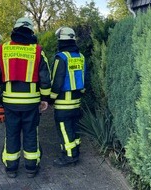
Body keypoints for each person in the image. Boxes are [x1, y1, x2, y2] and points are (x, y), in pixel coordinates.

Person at [0, 17, 51, 178]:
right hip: (31, 102)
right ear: (30, 31)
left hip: (10, 102)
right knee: (31, 133)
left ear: (14, 31)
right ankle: (31, 167)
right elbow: (45, 77)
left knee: (12, 133)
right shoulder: (37, 50)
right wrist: (45, 99)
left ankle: (11, 168)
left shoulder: (3, 49)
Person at [50, 26, 86, 167]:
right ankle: (75, 151)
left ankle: (70, 157)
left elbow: (56, 80)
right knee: (74, 127)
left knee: (64, 130)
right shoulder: (81, 57)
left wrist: (50, 98)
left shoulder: (61, 58)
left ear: (61, 40)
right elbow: (84, 77)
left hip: (63, 102)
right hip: (77, 101)